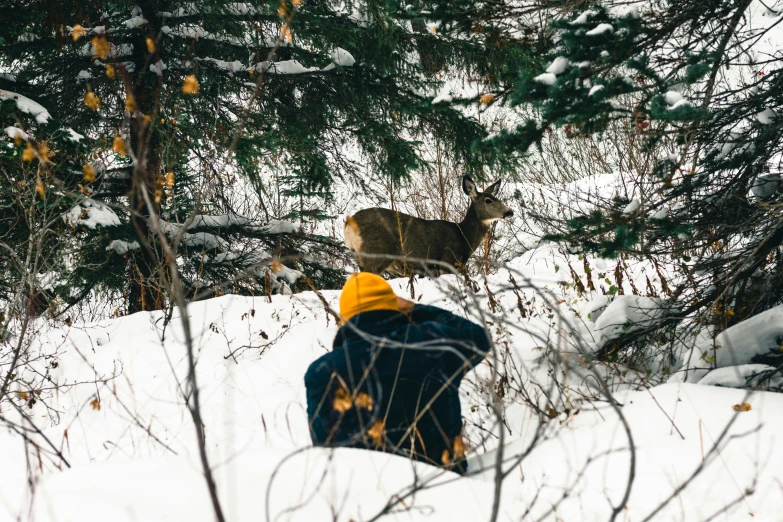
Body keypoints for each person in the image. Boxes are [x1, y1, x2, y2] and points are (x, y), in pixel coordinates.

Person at [304, 272, 491, 474]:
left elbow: (324, 449)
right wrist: (415, 309)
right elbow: (478, 337)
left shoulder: (320, 373)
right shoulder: (431, 343)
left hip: (363, 496)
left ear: (345, 320)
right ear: (393, 308)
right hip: (445, 484)